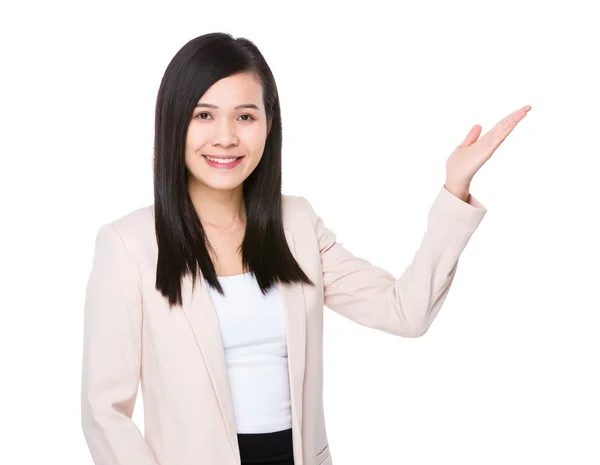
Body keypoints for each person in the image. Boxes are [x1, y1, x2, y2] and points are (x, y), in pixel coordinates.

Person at [80, 32, 531, 465]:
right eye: (203, 115)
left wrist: (454, 190)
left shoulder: (296, 224)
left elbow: (405, 312)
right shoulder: (128, 244)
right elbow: (105, 411)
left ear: (268, 125)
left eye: (245, 116)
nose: (225, 137)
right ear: (174, 121)